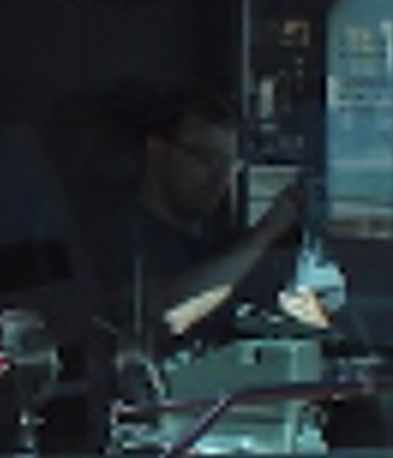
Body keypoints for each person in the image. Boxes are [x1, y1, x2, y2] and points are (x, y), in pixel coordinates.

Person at [108, 86, 304, 349]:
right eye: (207, 160)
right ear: (157, 151)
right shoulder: (118, 236)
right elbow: (165, 315)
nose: (220, 178)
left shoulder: (218, 237)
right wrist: (263, 234)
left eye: (229, 165)